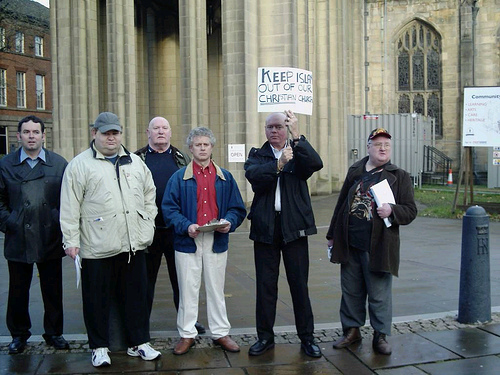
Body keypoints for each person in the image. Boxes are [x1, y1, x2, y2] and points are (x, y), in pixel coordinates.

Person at [60, 112, 161, 367]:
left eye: (115, 133)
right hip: (97, 246)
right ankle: (99, 347)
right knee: (96, 301)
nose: (111, 138)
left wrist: (147, 222)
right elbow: (70, 206)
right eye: (106, 133)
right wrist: (70, 240)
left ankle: (139, 343)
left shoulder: (136, 162)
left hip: (132, 244)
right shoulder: (80, 165)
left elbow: (150, 194)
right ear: (95, 133)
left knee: (136, 297)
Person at [326, 128, 417, 355]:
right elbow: (340, 205)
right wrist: (331, 235)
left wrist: (392, 210)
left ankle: (381, 335)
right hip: (350, 242)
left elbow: (410, 210)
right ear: (369, 147)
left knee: (379, 294)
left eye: (386, 144)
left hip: (378, 246)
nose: (383, 148)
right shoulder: (355, 170)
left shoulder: (400, 176)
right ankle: (352, 331)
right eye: (378, 144)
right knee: (351, 291)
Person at [244, 110, 323, 358]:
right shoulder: (258, 155)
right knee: (266, 287)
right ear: (265, 130)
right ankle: (265, 338)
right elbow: (254, 176)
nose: (274, 131)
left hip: (294, 229)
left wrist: (298, 136)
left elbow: (315, 164)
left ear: (286, 129)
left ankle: (307, 338)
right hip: (266, 229)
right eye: (270, 127)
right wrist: (278, 165)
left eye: (279, 126)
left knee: (299, 285)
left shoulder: (297, 151)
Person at [162, 127, 246, 355]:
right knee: (188, 289)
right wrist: (185, 225)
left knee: (216, 288)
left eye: (205, 144)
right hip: (188, 240)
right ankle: (187, 334)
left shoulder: (225, 177)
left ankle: (220, 332)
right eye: (197, 145)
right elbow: (168, 209)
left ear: (211, 147)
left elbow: (237, 208)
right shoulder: (179, 178)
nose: (201, 148)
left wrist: (229, 221)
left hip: (215, 239)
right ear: (190, 148)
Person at [0, 115, 69, 354]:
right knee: (18, 291)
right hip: (19, 236)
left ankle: (54, 333)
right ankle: (19, 335)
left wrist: (58, 222)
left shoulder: (59, 164)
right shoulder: (6, 164)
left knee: (53, 290)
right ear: (18, 136)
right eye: (27, 132)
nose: (31, 136)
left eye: (35, 132)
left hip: (50, 235)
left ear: (43, 135)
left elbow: (68, 200)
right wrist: (10, 222)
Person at [135, 117, 205, 334]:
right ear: (148, 132)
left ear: (171, 132)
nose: (160, 132)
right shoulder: (137, 159)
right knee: (144, 282)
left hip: (177, 229)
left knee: (183, 280)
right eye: (156, 128)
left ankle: (188, 322)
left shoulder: (181, 158)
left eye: (165, 128)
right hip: (147, 230)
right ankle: (140, 324)